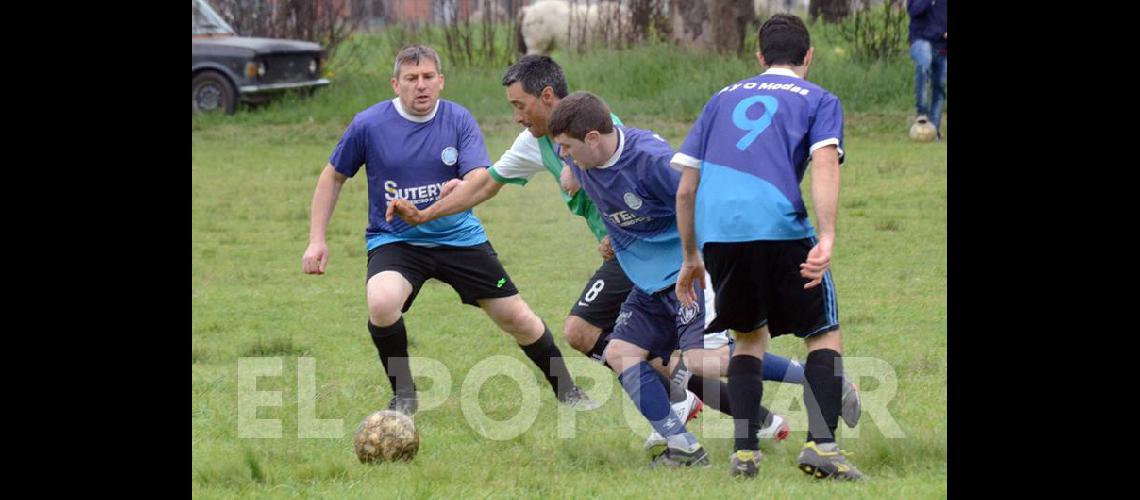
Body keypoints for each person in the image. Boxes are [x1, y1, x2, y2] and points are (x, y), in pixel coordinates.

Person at [387, 56, 858, 440]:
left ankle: (748, 398)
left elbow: (643, 164)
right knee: (596, 338)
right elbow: (483, 186)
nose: (515, 115)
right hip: (628, 255)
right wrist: (426, 215)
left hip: (656, 251)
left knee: (676, 355)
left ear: (548, 99)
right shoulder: (533, 143)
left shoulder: (595, 127)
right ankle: (701, 411)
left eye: (520, 105)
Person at [300, 45, 598, 418]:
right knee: (381, 301)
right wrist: (317, 239)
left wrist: (460, 186)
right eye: (411, 79)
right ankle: (404, 397)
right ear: (396, 84)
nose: (420, 86)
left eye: (428, 78)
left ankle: (568, 391)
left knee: (518, 319)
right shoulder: (368, 125)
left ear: (441, 81)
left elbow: (479, 175)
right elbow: (333, 176)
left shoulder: (458, 119)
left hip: (460, 238)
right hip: (397, 240)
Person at [673, 14, 866, 480]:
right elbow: (824, 161)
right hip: (779, 224)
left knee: (747, 337)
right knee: (823, 332)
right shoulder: (819, 98)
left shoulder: (720, 99)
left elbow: (685, 189)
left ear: (759, 58)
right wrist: (827, 236)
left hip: (719, 233)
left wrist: (691, 257)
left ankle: (744, 454)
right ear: (809, 57)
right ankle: (821, 445)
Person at [907, 0, 947, 140]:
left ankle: (933, 130)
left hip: (943, 46)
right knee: (925, 63)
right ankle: (922, 113)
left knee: (940, 86)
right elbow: (913, 11)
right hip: (920, 40)